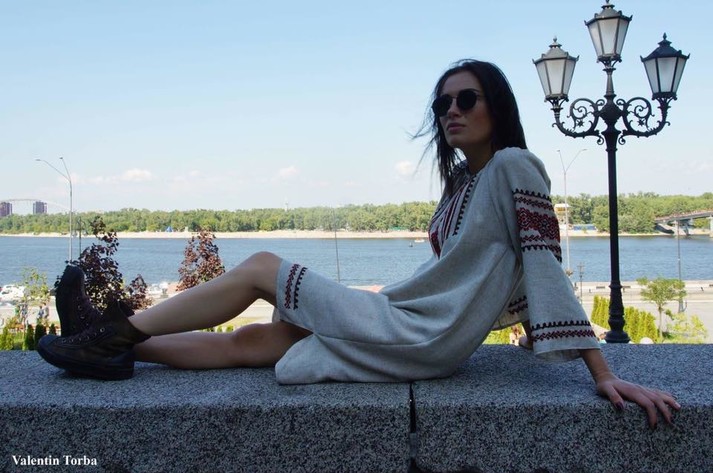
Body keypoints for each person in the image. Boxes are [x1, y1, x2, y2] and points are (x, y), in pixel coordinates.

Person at [37, 59, 679, 429]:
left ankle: (111, 329)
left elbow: (544, 267)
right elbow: (475, 277)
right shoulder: (465, 184)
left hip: (423, 333)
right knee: (258, 342)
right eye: (443, 104)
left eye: (467, 99)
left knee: (262, 267)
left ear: (498, 107)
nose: (452, 111)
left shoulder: (514, 165)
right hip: (416, 326)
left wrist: (603, 374)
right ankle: (114, 351)